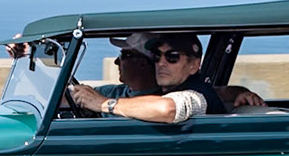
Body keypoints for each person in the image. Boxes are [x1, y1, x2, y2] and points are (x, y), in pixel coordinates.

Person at [69, 32, 232, 122]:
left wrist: (104, 104)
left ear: (194, 65)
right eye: (156, 56)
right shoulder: (171, 90)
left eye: (172, 57)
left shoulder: (196, 95)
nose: (161, 63)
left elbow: (168, 108)